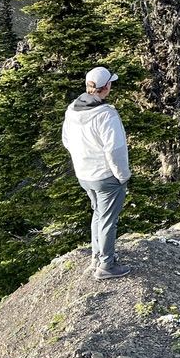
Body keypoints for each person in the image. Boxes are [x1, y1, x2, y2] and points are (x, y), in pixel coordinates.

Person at [62, 66, 132, 279]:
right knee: (109, 219)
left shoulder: (72, 109)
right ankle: (106, 265)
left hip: (84, 174)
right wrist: (123, 175)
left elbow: (66, 140)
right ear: (107, 86)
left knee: (98, 213)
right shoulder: (106, 114)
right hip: (106, 176)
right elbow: (115, 149)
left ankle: (96, 256)